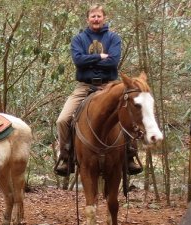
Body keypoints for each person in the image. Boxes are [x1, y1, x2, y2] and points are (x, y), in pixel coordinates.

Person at [54, 4, 142, 177]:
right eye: (93, 16)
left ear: (104, 18)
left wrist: (90, 60)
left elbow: (113, 61)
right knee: (62, 120)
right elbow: (78, 61)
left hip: (109, 84)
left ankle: (130, 155)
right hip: (84, 86)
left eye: (99, 16)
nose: (96, 19)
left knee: (128, 113)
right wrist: (100, 56)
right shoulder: (78, 39)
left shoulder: (113, 38)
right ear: (87, 19)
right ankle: (67, 157)